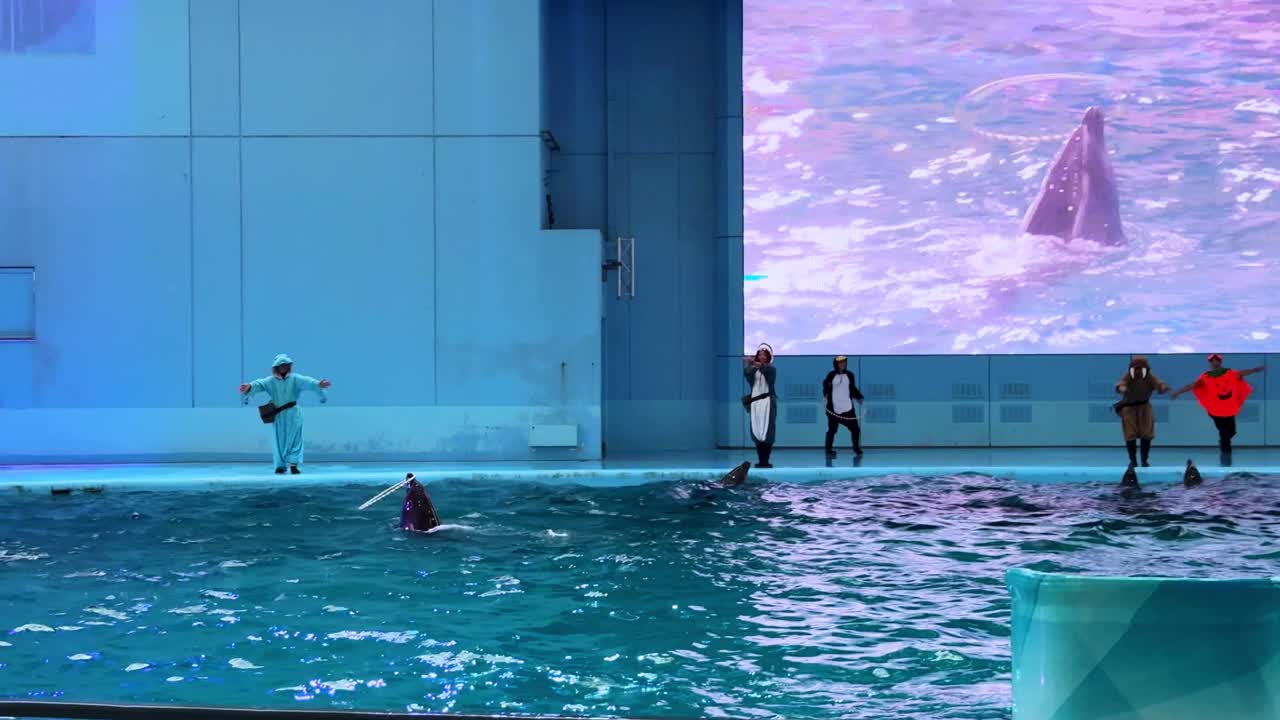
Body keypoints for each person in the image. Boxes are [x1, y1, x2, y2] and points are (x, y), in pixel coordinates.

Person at [239, 354, 332, 474]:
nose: (283, 367)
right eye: (281, 365)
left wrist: (318, 384)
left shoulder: (295, 379)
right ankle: (280, 465)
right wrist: (249, 387)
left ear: (289, 366)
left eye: (286, 365)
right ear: (276, 367)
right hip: (279, 415)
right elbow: (259, 384)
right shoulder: (270, 381)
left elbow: (308, 382)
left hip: (293, 413)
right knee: (279, 440)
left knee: (295, 438)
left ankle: (293, 464)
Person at [1170, 354, 1264, 466]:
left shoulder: (1230, 373)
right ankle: (1225, 456)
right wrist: (1178, 392)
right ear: (1210, 363)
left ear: (1220, 362)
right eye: (1212, 361)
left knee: (1232, 432)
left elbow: (1243, 373)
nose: (1214, 362)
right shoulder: (1206, 377)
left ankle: (1224, 445)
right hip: (1215, 411)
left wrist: (1255, 370)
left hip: (1228, 410)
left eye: (1216, 360)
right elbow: (1192, 385)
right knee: (1224, 434)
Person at [1113, 356, 1169, 468]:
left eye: (1141, 368)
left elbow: (1159, 384)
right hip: (1129, 408)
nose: (1138, 371)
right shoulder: (1129, 375)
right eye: (1136, 368)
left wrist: (1162, 387)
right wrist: (1122, 388)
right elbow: (1121, 384)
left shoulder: (1149, 376)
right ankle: (1133, 460)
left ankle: (1144, 460)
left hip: (1144, 407)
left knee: (1146, 434)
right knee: (1130, 434)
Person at [742, 344, 777, 468]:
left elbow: (766, 369)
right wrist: (749, 365)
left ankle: (765, 460)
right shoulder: (754, 370)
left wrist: (752, 362)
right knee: (756, 429)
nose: (762, 357)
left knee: (768, 430)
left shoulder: (771, 369)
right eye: (760, 355)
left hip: (768, 402)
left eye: (764, 355)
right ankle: (760, 460)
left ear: (768, 357)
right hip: (756, 403)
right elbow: (747, 373)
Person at [822, 355, 864, 458]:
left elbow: (852, 388)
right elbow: (825, 384)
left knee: (855, 429)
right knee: (832, 430)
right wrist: (826, 393)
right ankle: (828, 450)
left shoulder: (850, 375)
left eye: (844, 362)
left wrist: (859, 397)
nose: (843, 364)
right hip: (834, 408)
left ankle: (856, 448)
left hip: (848, 408)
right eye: (840, 362)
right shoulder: (831, 375)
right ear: (836, 364)